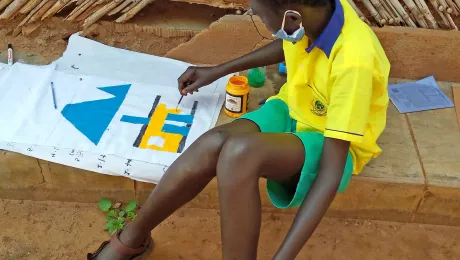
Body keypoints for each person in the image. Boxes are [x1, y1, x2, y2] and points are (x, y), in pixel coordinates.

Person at [88, 0, 390, 258]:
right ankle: (130, 240)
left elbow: (331, 170)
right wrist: (218, 71)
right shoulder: (319, 10)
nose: (257, 17)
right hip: (295, 105)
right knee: (214, 143)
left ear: (291, 16)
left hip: (330, 140)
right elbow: (289, 44)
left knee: (239, 154)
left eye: (258, 12)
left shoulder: (355, 60)